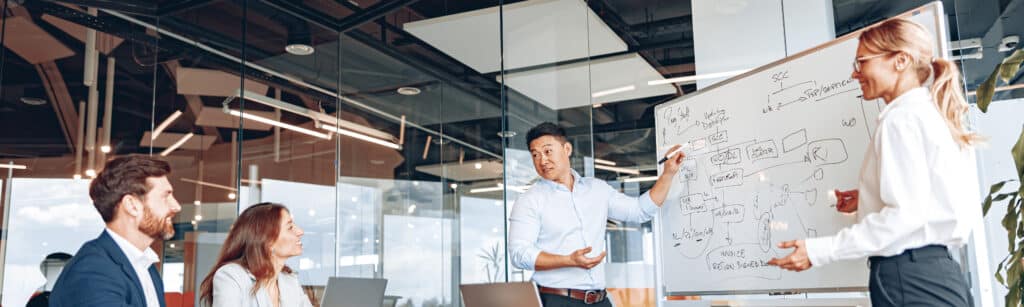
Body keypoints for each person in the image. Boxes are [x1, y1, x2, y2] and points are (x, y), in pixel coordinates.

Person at [767, 18, 983, 306]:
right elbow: (924, 201)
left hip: (909, 278)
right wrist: (867, 199)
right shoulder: (927, 113)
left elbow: (905, 217)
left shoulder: (900, 119)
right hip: (937, 273)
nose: (856, 74)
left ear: (900, 60)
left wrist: (819, 250)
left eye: (862, 62)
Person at [508, 122, 686, 307]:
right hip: (556, 300)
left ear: (566, 148)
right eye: (535, 155)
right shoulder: (529, 200)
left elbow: (639, 211)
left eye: (547, 151)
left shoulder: (597, 189)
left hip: (600, 300)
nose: (542, 160)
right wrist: (568, 261)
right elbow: (519, 254)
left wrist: (668, 174)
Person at [50, 156, 182, 307]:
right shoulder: (93, 270)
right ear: (132, 205)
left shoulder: (146, 266)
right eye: (165, 196)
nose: (176, 206)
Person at [199, 202, 312, 307]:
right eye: (290, 227)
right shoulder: (230, 276)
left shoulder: (289, 280)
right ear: (268, 241)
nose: (300, 231)